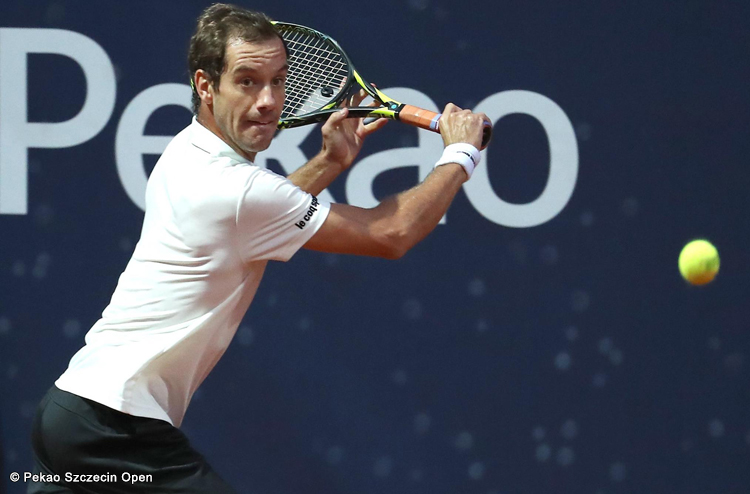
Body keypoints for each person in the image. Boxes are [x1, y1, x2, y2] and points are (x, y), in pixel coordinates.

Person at [28, 3, 489, 493]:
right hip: (114, 425)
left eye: (278, 81)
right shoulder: (237, 189)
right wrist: (460, 152)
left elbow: (256, 217)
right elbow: (390, 234)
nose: (268, 101)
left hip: (72, 412)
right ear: (206, 85)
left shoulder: (187, 150)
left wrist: (330, 161)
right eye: (247, 81)